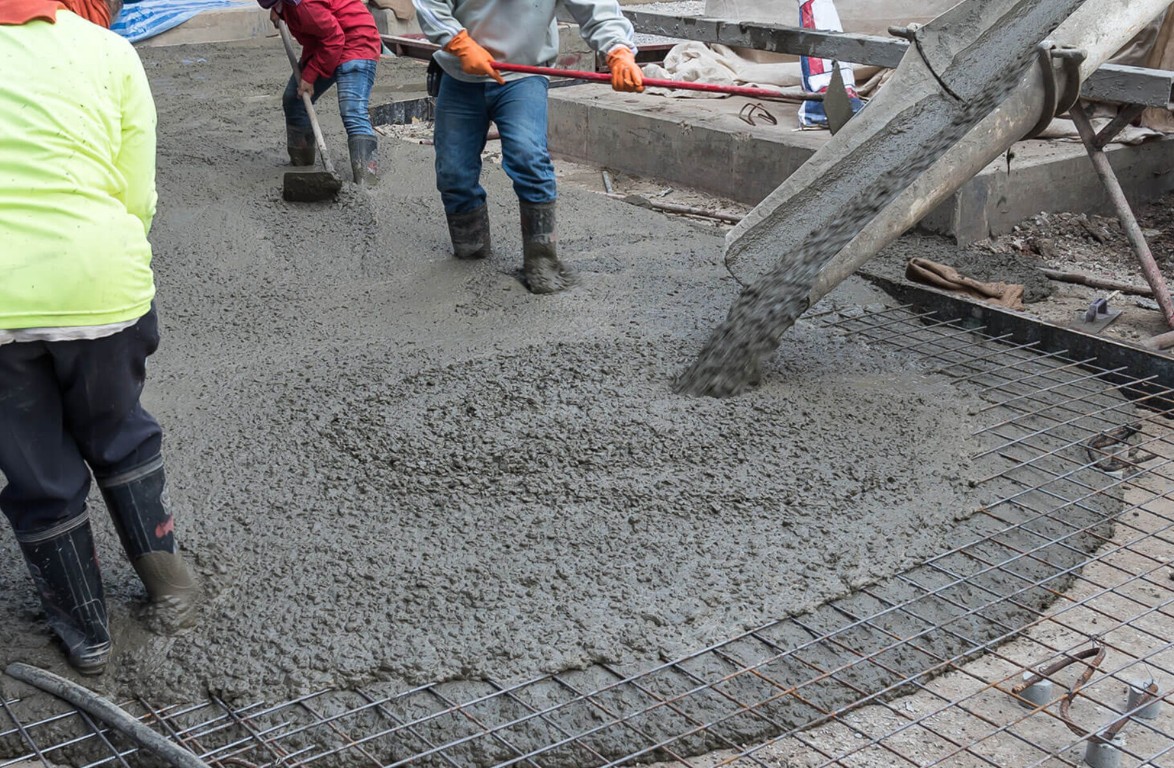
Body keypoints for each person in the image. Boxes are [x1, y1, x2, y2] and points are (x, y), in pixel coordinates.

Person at [0, 0, 198, 675]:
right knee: (119, 431)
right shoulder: (108, 51)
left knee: (37, 471)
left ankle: (86, 633)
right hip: (99, 283)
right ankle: (171, 586)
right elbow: (137, 193)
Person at [413, 0, 644, 294]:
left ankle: (542, 261)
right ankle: (470, 251)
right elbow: (430, 4)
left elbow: (596, 8)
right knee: (453, 170)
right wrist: (457, 41)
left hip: (523, 74)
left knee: (528, 157)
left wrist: (618, 50)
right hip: (460, 75)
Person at [260, 0, 383, 186]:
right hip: (324, 44)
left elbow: (334, 38)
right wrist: (280, 10)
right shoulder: (290, 5)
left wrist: (309, 77)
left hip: (356, 41)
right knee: (295, 100)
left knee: (352, 112)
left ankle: (367, 180)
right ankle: (301, 166)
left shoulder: (304, 6)